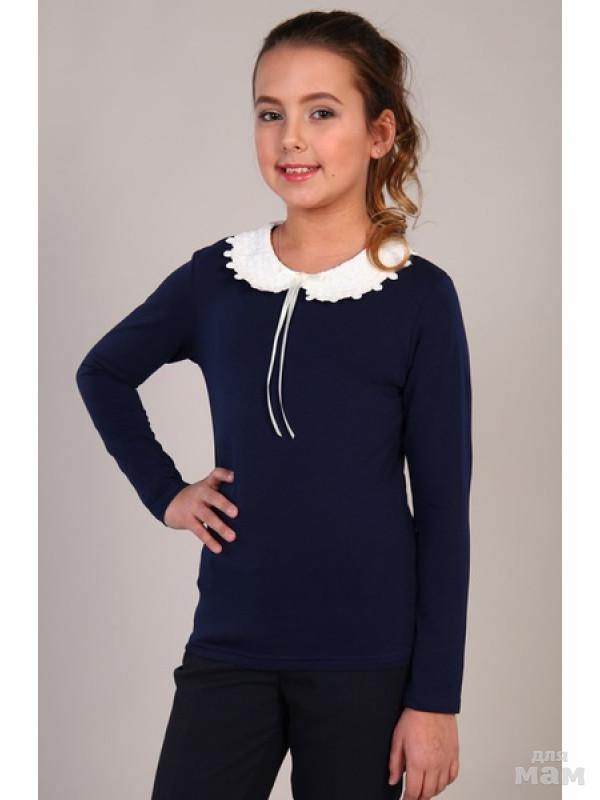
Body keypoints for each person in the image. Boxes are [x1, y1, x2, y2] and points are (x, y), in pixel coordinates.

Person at [75, 10, 472, 800]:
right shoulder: (218, 279)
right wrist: (167, 493)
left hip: (368, 662)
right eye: (270, 113)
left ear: (379, 133)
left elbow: (442, 512)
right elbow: (104, 372)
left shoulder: (420, 298)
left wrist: (435, 699)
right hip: (232, 645)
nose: (291, 138)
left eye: (321, 112)